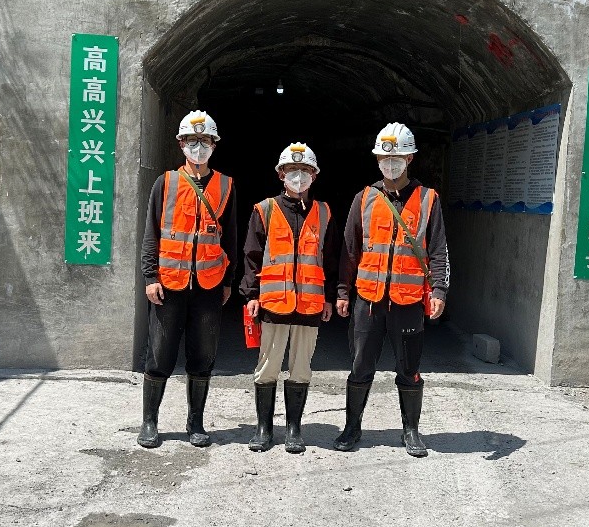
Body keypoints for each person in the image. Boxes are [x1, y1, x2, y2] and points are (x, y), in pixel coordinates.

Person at [334, 122, 449, 457]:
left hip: (408, 301)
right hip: (368, 300)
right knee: (360, 366)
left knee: (409, 368)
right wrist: (342, 292)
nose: (390, 164)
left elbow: (438, 249)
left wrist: (439, 290)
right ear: (377, 160)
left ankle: (411, 431)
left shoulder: (428, 200)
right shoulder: (364, 199)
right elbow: (349, 250)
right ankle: (352, 427)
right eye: (385, 159)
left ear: (410, 158)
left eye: (397, 158)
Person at [137, 110, 236, 449]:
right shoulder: (165, 183)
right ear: (180, 144)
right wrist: (150, 276)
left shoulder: (226, 186)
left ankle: (196, 423)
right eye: (192, 141)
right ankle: (150, 421)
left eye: (205, 140)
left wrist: (228, 281)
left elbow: (230, 237)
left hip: (208, 285)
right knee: (159, 354)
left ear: (214, 145)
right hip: (168, 284)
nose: (198, 147)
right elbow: (151, 232)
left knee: (202, 355)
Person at [240, 143, 340, 453]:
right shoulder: (265, 210)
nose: (298, 176)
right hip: (273, 303)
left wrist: (329, 298)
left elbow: (331, 259)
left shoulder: (323, 212)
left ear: (314, 176)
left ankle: (294, 430)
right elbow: (251, 255)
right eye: (292, 170)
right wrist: (251, 295)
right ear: (281, 174)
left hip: (310, 304)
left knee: (301, 368)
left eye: (305, 170)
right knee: (267, 367)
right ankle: (264, 430)